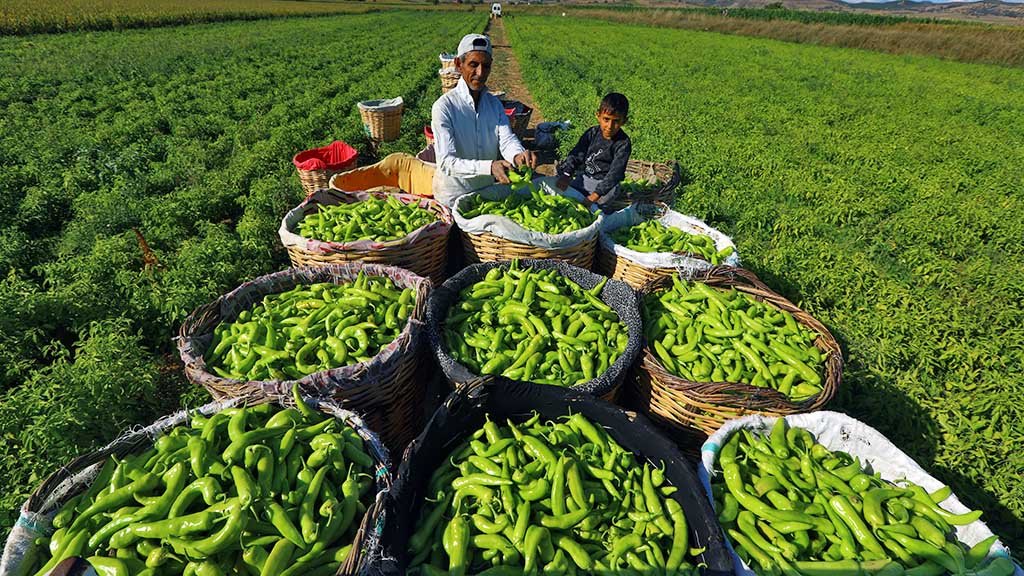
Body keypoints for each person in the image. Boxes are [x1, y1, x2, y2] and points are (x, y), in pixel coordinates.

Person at [431, 33, 537, 208]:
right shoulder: (444, 107)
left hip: (485, 193)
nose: (480, 73)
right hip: (453, 197)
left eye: (486, 66)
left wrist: (518, 155)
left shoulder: (494, 104)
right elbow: (446, 162)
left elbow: (507, 140)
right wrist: (489, 167)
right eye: (473, 65)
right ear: (458, 64)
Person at [555, 93, 632, 211]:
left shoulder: (623, 143)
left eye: (616, 121)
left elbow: (615, 174)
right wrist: (567, 174)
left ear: (624, 121)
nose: (610, 126)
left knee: (597, 207)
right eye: (606, 119)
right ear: (598, 115)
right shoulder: (592, 133)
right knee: (566, 197)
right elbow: (577, 154)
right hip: (585, 178)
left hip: (606, 186)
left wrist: (596, 195)